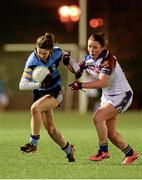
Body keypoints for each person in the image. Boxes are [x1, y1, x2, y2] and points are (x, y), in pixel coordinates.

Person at [69, 32, 138, 165]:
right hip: (107, 96)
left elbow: (102, 83)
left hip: (122, 95)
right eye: (90, 46)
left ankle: (103, 151)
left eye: (95, 47)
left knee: (98, 118)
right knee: (110, 134)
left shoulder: (108, 60)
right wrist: (68, 62)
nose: (91, 50)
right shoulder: (88, 58)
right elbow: (76, 70)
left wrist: (81, 85)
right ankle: (131, 154)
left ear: (102, 47)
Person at [19, 32, 80, 162]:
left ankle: (33, 143)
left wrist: (74, 66)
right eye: (39, 52)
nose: (41, 56)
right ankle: (69, 150)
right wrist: (39, 83)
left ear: (51, 51)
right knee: (51, 130)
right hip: (40, 94)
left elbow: (76, 69)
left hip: (55, 92)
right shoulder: (31, 61)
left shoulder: (58, 52)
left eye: (44, 53)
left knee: (35, 108)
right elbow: (22, 85)